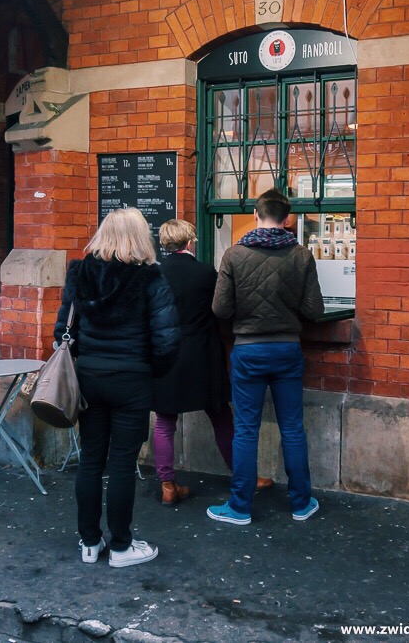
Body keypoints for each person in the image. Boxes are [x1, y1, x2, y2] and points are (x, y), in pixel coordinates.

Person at [54, 208, 178, 567]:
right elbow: (167, 340)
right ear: (141, 236)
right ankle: (121, 547)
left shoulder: (80, 274)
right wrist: (150, 370)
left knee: (91, 459)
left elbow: (63, 331)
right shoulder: (151, 279)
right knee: (123, 463)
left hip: (90, 378)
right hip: (132, 381)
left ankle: (90, 543)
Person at [207, 188, 324, 526]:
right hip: (287, 348)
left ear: (256, 215)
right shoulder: (301, 255)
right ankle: (302, 503)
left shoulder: (234, 255)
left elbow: (220, 309)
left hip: (248, 350)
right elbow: (314, 309)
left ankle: (240, 507)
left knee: (245, 430)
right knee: (292, 428)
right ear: (287, 220)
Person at [152, 219, 234, 505]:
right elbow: (222, 309)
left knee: (164, 422)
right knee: (221, 416)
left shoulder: (154, 275)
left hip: (166, 354)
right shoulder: (205, 273)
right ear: (190, 242)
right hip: (202, 354)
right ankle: (242, 475)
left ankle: (167, 486)